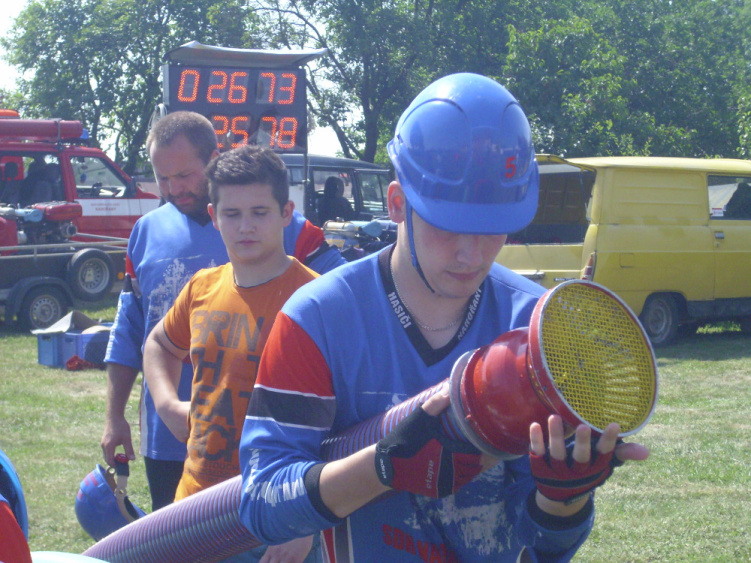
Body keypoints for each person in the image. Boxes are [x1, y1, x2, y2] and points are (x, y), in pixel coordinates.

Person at [237, 73, 649, 562]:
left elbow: (545, 548)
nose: (471, 254)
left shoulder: (536, 328)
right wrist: (383, 467)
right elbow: (261, 504)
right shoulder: (318, 320)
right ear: (397, 204)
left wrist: (564, 500)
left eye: (493, 228)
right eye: (447, 225)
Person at [101, 111, 345, 512]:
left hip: (275, 469)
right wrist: (127, 413)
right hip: (177, 446)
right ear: (218, 218)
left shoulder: (297, 248)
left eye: (184, 175)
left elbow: (348, 304)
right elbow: (134, 332)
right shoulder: (148, 236)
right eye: (163, 178)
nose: (173, 188)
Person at [142, 144, 320, 562]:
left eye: (260, 212)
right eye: (232, 214)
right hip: (194, 508)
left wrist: (309, 518)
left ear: (286, 212)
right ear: (214, 215)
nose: (246, 227)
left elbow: (346, 421)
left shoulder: (318, 299)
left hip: (277, 518)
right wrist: (167, 404)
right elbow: (158, 344)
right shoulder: (202, 287)